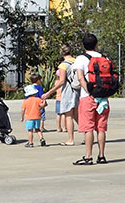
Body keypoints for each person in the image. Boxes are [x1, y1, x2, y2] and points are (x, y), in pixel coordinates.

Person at [72, 32, 111, 165]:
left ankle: (88, 156)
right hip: (103, 97)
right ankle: (101, 155)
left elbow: (80, 78)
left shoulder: (81, 59)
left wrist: (89, 91)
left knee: (88, 128)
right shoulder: (103, 57)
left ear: (83, 45)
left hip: (87, 97)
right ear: (96, 44)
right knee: (101, 128)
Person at [42, 48, 79, 146]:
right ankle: (88, 134)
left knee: (69, 115)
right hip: (78, 90)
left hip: (68, 91)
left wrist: (49, 92)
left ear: (62, 53)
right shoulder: (77, 62)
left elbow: (62, 81)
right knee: (77, 115)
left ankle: (70, 139)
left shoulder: (63, 65)